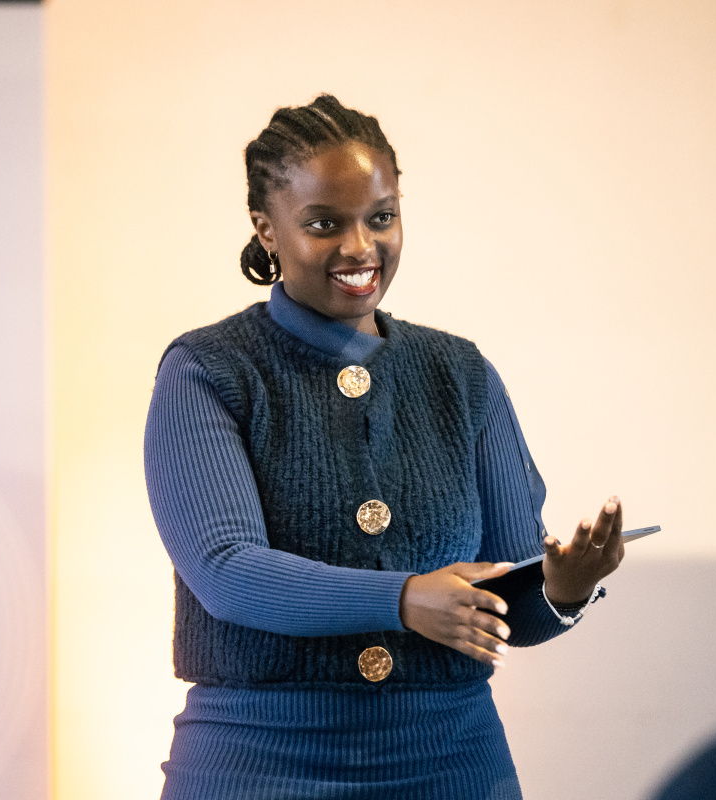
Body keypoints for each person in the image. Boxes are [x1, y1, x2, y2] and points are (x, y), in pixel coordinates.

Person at [144, 94, 625, 800]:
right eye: (324, 224)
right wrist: (402, 598)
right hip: (258, 764)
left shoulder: (462, 374)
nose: (361, 248)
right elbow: (225, 572)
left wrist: (563, 588)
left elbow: (503, 606)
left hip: (453, 766)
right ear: (266, 228)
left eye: (381, 217)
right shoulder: (209, 370)